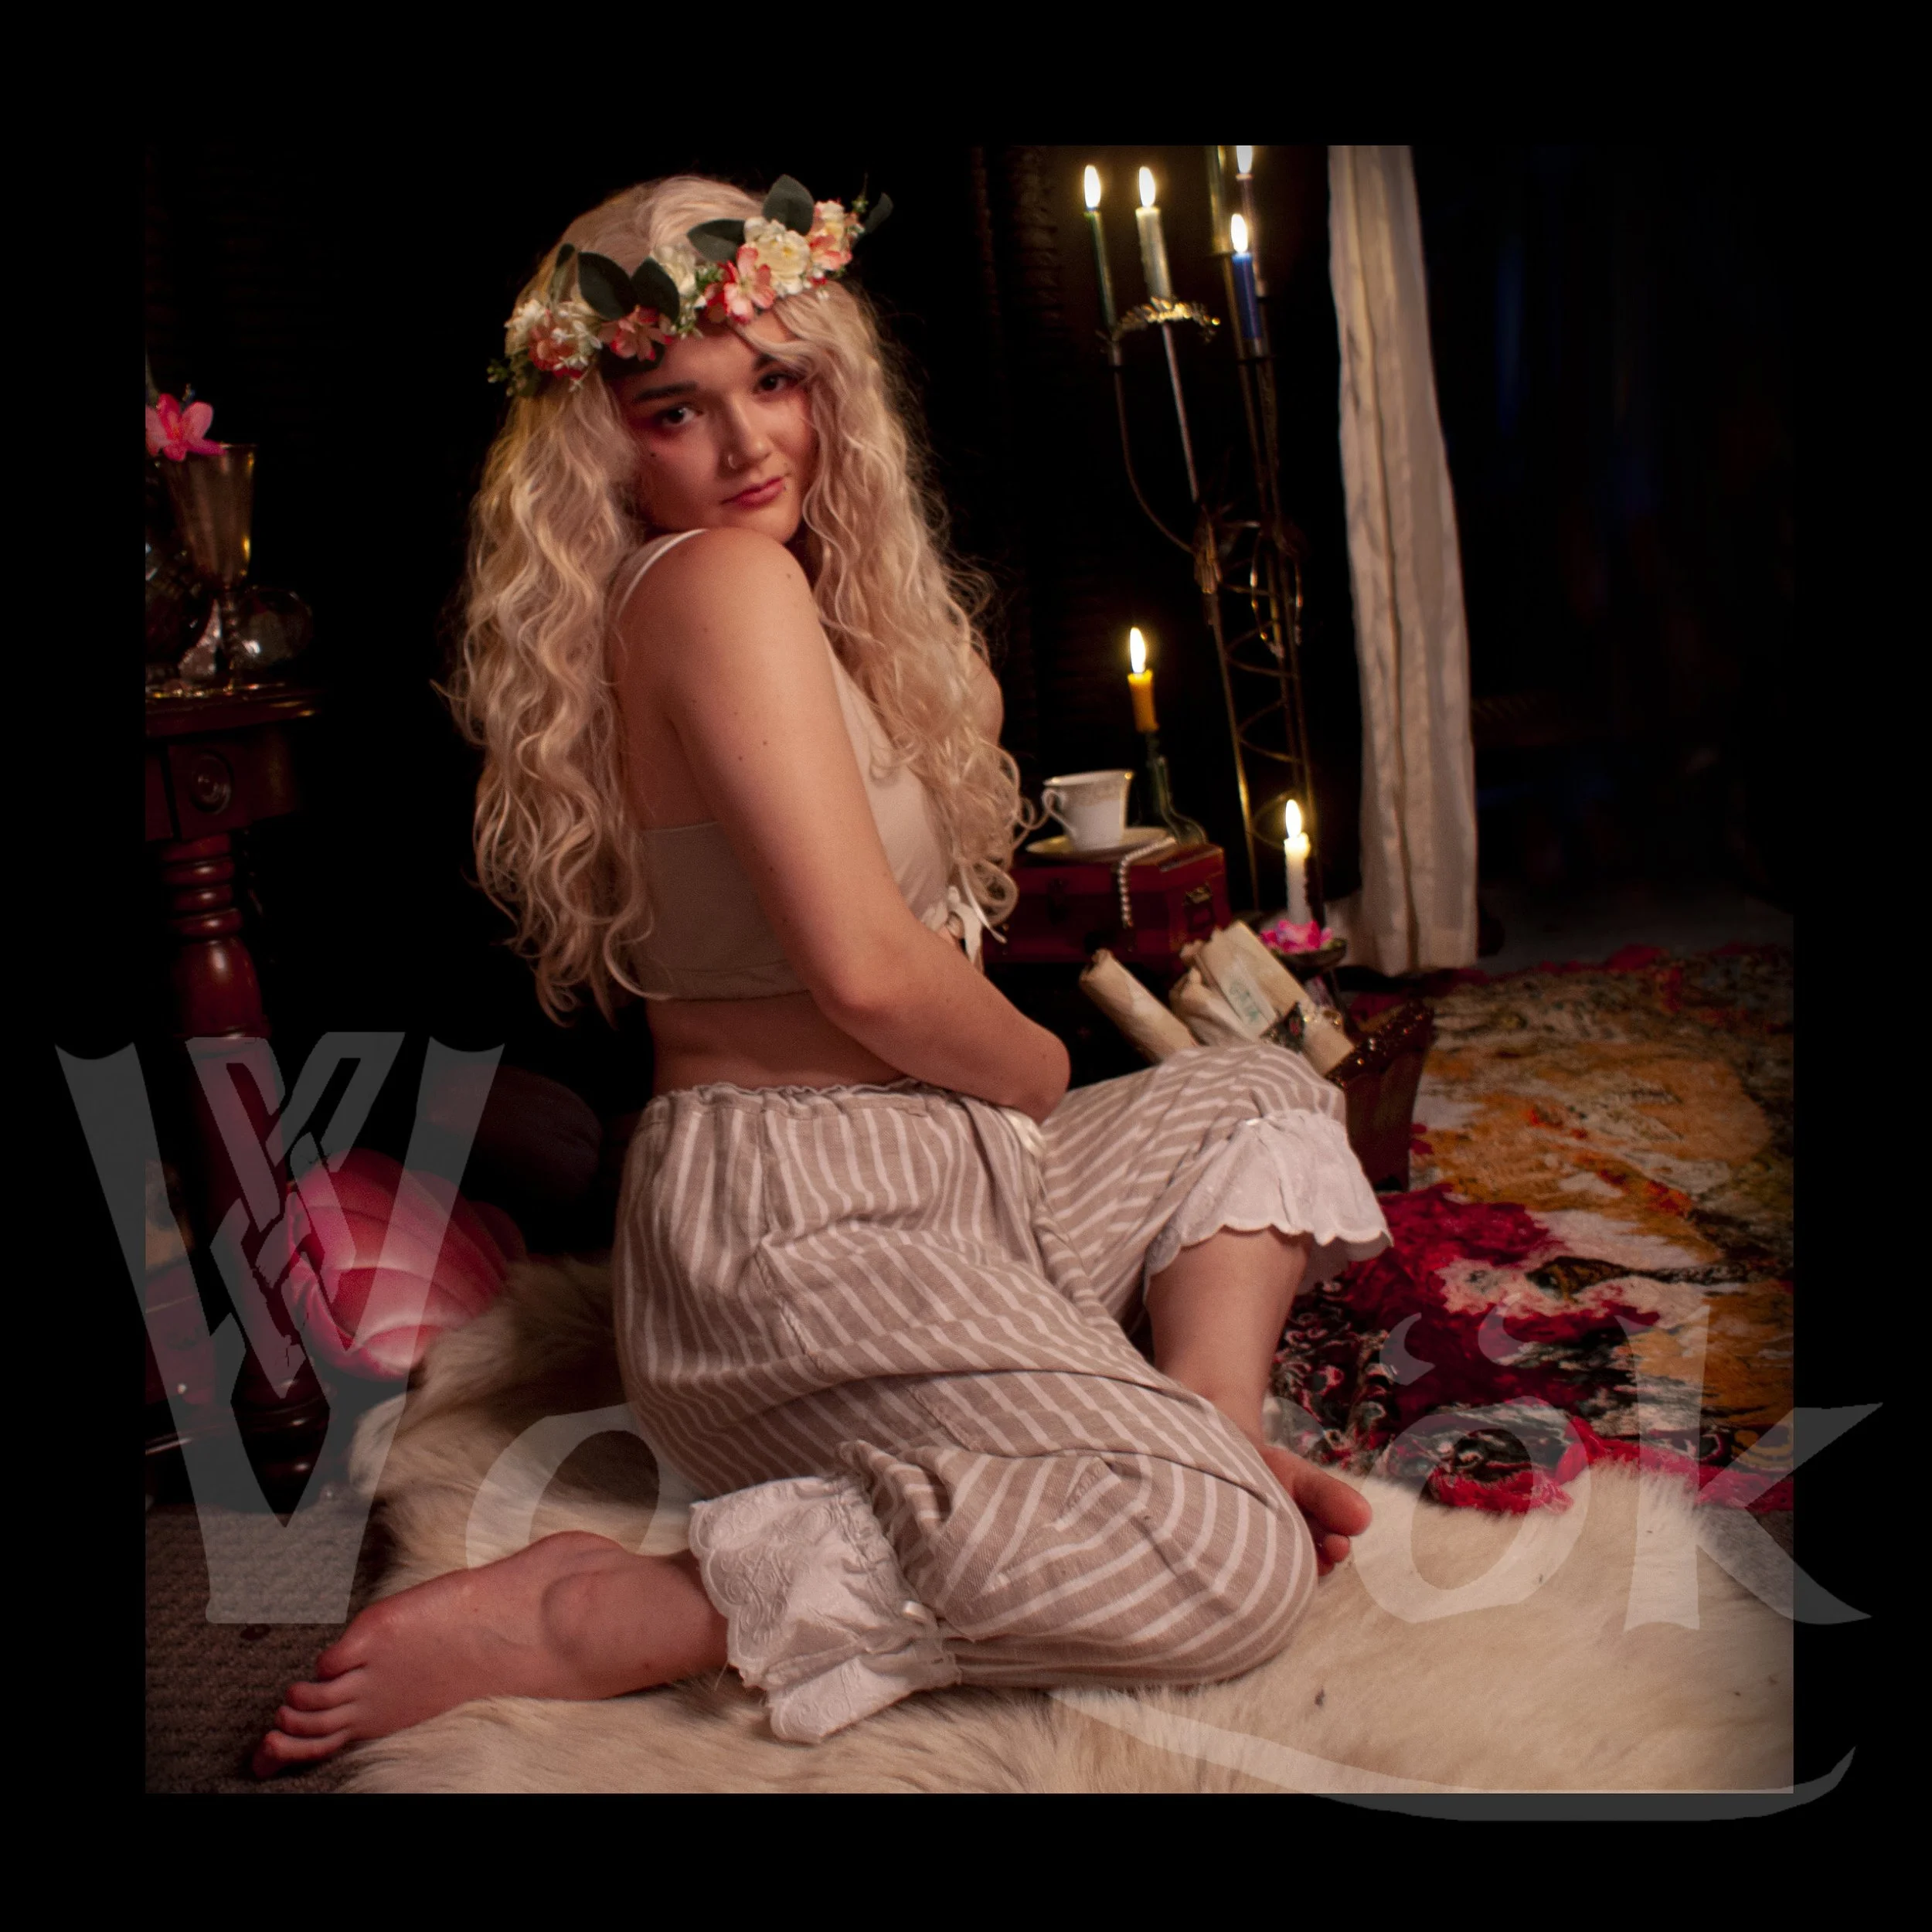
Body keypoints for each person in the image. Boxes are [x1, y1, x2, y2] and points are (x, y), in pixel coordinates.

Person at [253, 174, 1389, 1777]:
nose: (747, 444)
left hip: (942, 1176)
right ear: (599, 442)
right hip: (794, 1226)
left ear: (830, 381)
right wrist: (1040, 1075)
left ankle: (1211, 1430)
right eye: (675, 408)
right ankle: (635, 1606)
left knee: (1257, 1097)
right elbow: (867, 974)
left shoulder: (808, 595)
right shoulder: (712, 584)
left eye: (775, 381)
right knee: (1226, 1566)